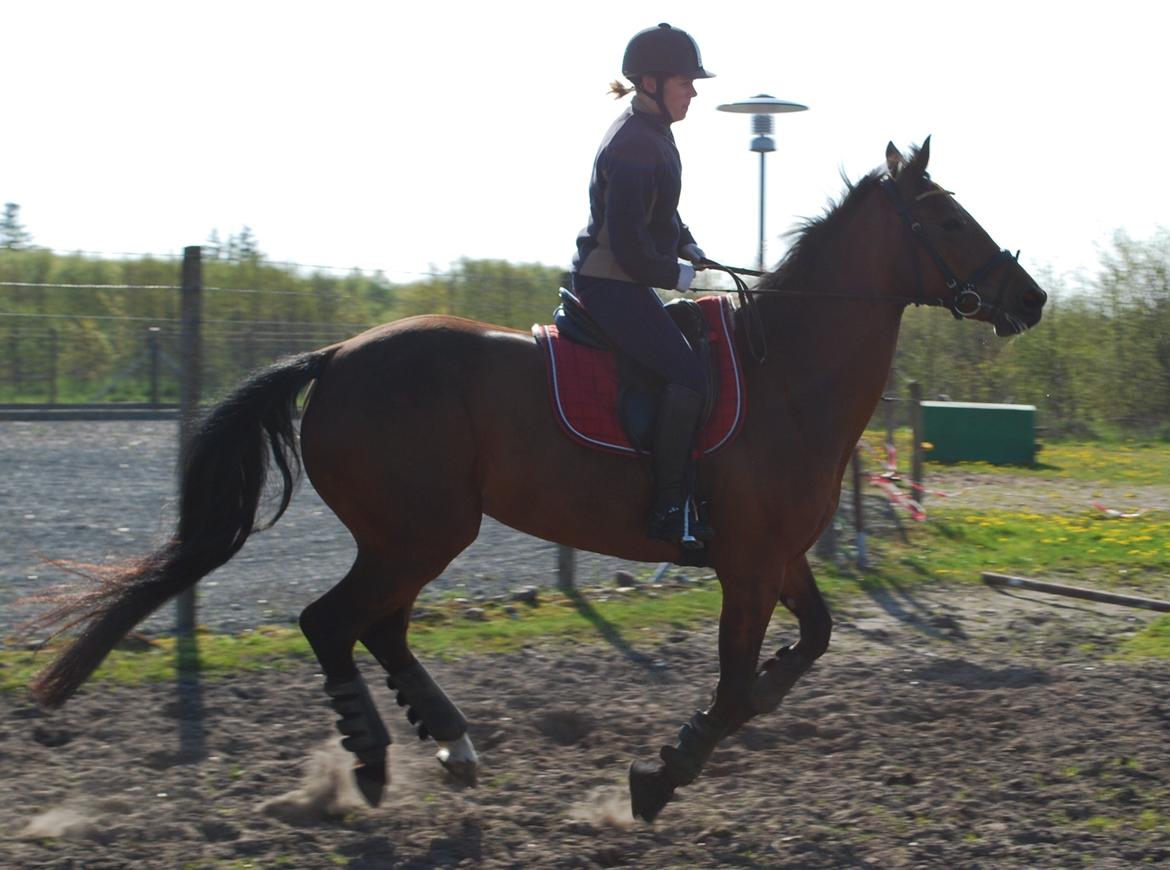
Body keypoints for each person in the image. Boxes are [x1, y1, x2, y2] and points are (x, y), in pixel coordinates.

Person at [570, 22, 715, 548]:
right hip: (611, 284)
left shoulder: (650, 133)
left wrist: (689, 246)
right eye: (686, 81)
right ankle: (669, 507)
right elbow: (631, 247)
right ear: (651, 83)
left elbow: (662, 215)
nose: (694, 90)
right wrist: (674, 275)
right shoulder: (636, 143)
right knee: (691, 377)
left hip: (623, 281)